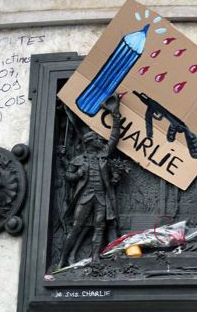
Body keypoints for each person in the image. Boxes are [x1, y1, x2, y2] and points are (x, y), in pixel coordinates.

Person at [57, 94, 121, 268]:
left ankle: (95, 258)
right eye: (97, 140)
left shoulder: (104, 155)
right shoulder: (78, 160)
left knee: (99, 227)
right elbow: (68, 177)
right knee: (77, 227)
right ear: (89, 143)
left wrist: (115, 114)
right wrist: (77, 175)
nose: (101, 141)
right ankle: (62, 259)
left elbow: (114, 137)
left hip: (101, 198)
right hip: (85, 197)